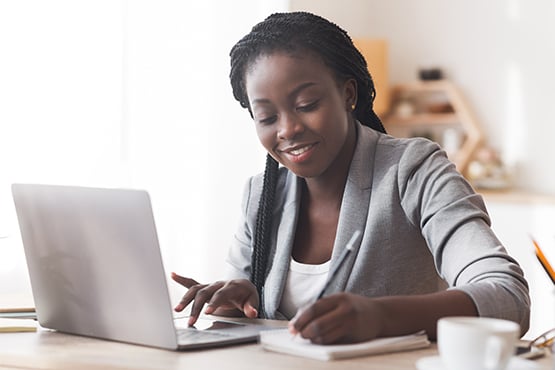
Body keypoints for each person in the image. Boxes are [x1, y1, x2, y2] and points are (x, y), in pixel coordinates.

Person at [171, 11, 530, 345]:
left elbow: (508, 296)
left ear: (348, 94)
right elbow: (243, 322)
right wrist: (232, 305)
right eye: (266, 118)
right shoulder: (262, 194)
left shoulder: (414, 170)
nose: (288, 130)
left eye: (307, 104)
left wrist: (382, 317)